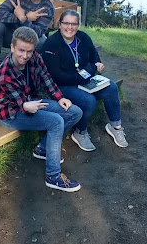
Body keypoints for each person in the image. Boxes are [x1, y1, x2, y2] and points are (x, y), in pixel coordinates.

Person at [0, 26, 83, 192]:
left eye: (29, 51)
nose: (25, 56)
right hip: (10, 112)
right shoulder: (5, 72)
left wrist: (59, 97)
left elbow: (46, 77)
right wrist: (25, 105)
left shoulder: (34, 58)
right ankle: (53, 176)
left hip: (29, 101)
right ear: (12, 47)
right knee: (56, 122)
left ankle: (43, 149)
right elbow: (20, 104)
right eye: (21, 50)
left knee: (75, 112)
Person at [41, 9, 128, 152]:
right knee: (88, 100)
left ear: (78, 25)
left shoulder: (83, 37)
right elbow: (55, 75)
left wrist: (97, 63)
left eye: (74, 24)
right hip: (62, 85)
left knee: (112, 87)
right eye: (66, 23)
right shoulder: (52, 44)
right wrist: (88, 72)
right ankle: (80, 132)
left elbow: (94, 55)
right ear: (59, 24)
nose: (70, 27)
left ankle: (115, 126)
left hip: (84, 80)